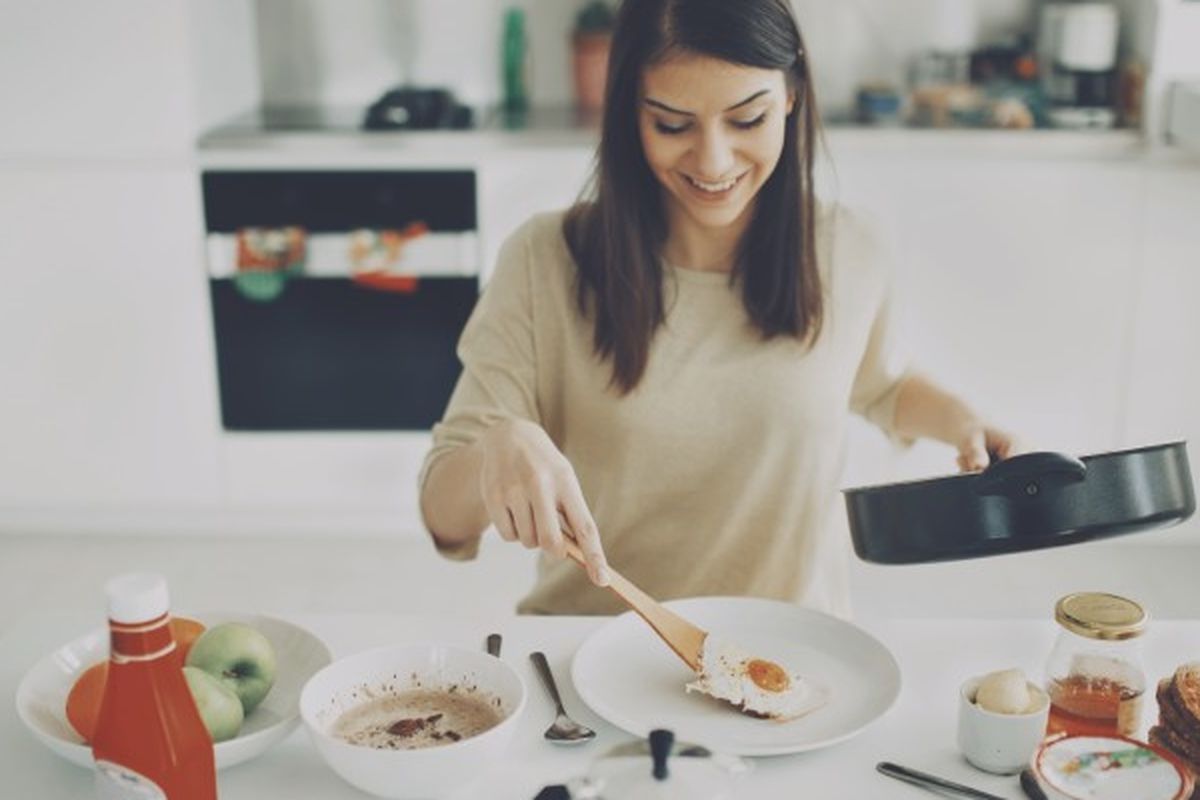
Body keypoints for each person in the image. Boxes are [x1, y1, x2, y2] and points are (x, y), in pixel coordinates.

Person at [418, 0, 1017, 617]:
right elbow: (444, 517)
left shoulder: (851, 249)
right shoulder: (546, 259)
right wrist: (496, 446)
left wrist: (961, 422)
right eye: (673, 125)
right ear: (630, 114)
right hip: (587, 653)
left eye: (747, 119)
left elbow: (881, 384)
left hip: (787, 660)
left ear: (791, 94)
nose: (713, 162)